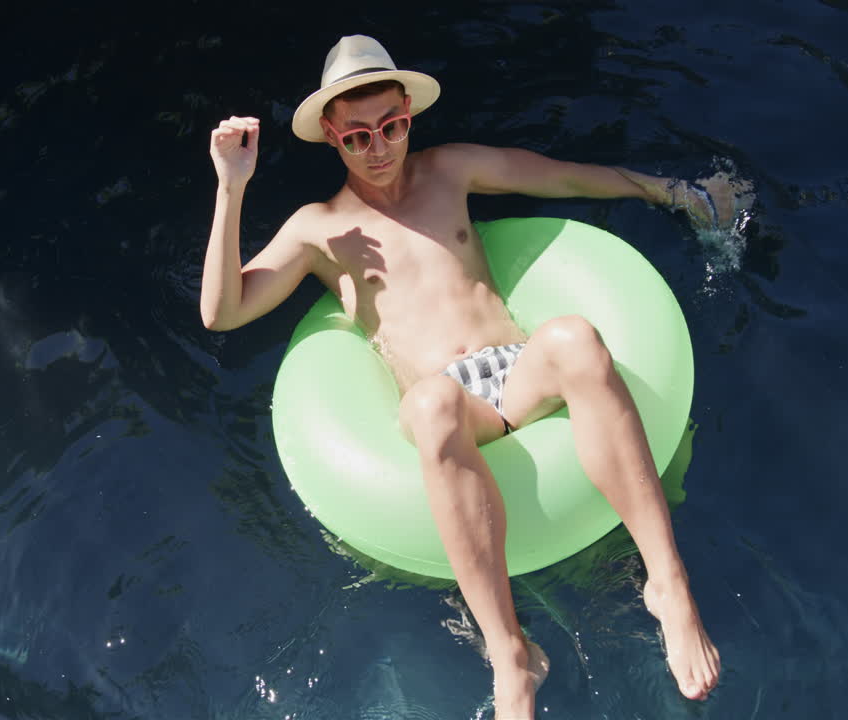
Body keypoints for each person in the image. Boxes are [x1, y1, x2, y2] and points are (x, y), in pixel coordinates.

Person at [201, 35, 741, 718]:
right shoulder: (320, 230)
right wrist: (231, 186)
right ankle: (512, 653)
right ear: (332, 136)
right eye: (358, 136)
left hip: (517, 373)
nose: (378, 148)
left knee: (576, 336)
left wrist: (673, 193)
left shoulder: (449, 170)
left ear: (408, 115)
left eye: (391, 127)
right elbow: (223, 312)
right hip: (449, 404)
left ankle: (670, 586)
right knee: (429, 405)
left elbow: (563, 176)